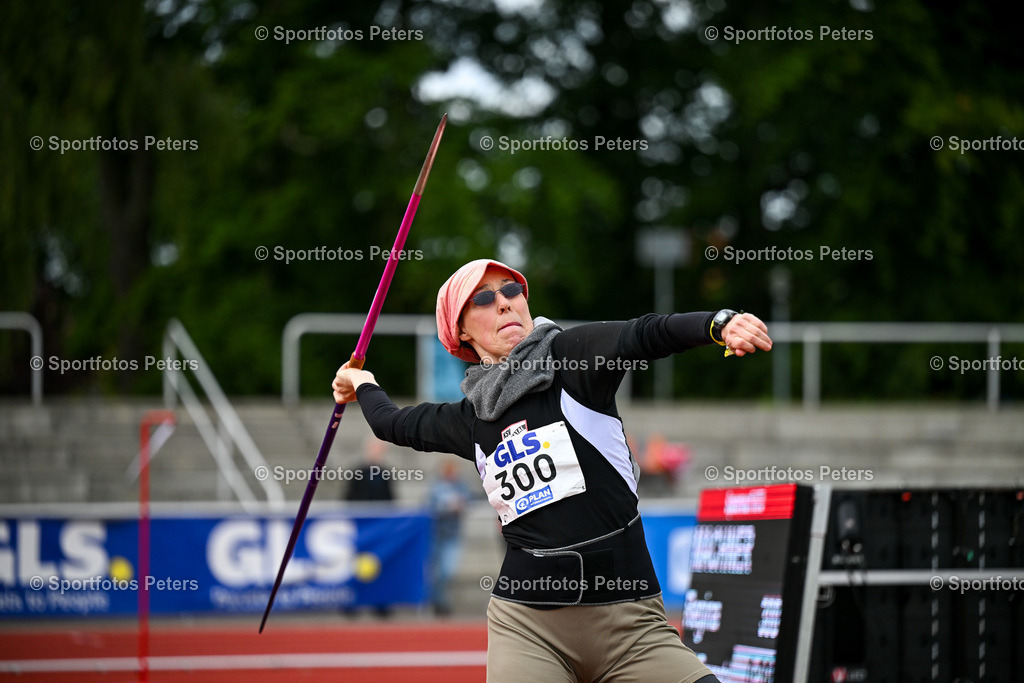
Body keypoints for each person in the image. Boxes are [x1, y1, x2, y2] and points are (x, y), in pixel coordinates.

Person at [332, 258, 772, 682]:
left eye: (511, 290)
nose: (504, 302)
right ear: (460, 331)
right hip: (527, 628)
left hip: (632, 626)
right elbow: (391, 423)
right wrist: (360, 382)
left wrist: (718, 323)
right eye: (483, 299)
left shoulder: (570, 358)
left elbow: (644, 334)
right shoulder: (468, 420)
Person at [427, 458, 472, 616]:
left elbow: (470, 499)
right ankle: (437, 601)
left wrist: (461, 504)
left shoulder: (461, 487)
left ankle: (440, 601)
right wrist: (448, 508)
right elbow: (430, 508)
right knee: (439, 571)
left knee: (447, 570)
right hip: (438, 534)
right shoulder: (437, 488)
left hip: (453, 534)